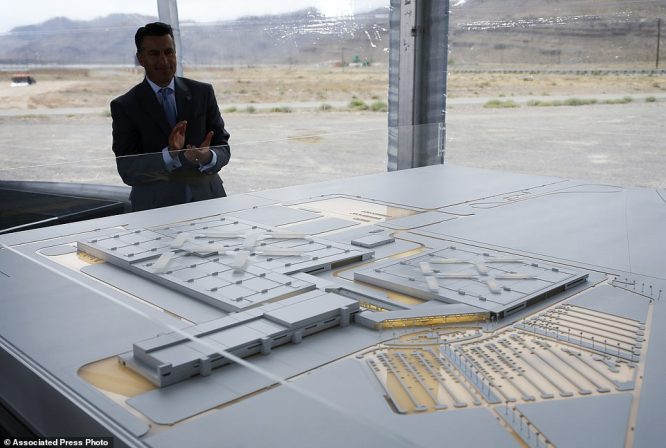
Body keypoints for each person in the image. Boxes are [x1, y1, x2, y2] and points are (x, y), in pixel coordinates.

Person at [111, 22, 230, 212]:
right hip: (156, 212)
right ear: (140, 59)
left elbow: (223, 146)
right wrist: (169, 155)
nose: (164, 61)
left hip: (209, 203)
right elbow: (128, 170)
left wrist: (208, 156)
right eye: (154, 54)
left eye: (169, 52)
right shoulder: (125, 106)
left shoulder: (202, 92)